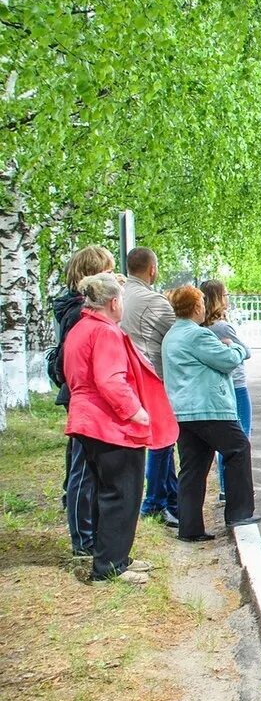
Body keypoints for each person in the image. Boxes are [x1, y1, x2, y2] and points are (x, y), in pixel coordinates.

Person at [64, 272, 177, 584]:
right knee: (122, 494)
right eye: (122, 300)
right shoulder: (106, 333)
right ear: (114, 302)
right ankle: (110, 567)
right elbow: (110, 379)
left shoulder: (81, 327)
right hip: (109, 425)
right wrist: (136, 411)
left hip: (87, 421)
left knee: (104, 492)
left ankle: (113, 557)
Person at [162, 286, 259, 540]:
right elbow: (227, 360)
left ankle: (190, 528)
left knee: (192, 468)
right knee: (238, 449)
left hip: (184, 411)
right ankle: (239, 512)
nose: (205, 307)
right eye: (202, 303)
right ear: (196, 307)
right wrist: (233, 347)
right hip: (209, 407)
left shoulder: (172, 335)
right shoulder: (197, 335)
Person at [51, 245, 116, 558]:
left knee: (86, 467)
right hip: (85, 393)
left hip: (83, 392)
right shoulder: (79, 312)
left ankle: (89, 536)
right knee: (84, 468)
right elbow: (74, 358)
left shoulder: (75, 308)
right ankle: (84, 541)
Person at [121, 247, 180, 527]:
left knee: (161, 440)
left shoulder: (121, 294)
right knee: (162, 440)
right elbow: (178, 333)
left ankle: (172, 499)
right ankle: (155, 501)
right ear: (152, 269)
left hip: (128, 373)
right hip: (151, 375)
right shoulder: (153, 301)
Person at [200, 280, 252, 503]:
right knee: (240, 437)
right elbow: (246, 352)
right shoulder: (222, 326)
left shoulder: (202, 327)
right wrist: (234, 346)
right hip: (236, 384)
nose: (228, 298)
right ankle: (230, 487)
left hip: (217, 385)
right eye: (225, 294)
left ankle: (224, 486)